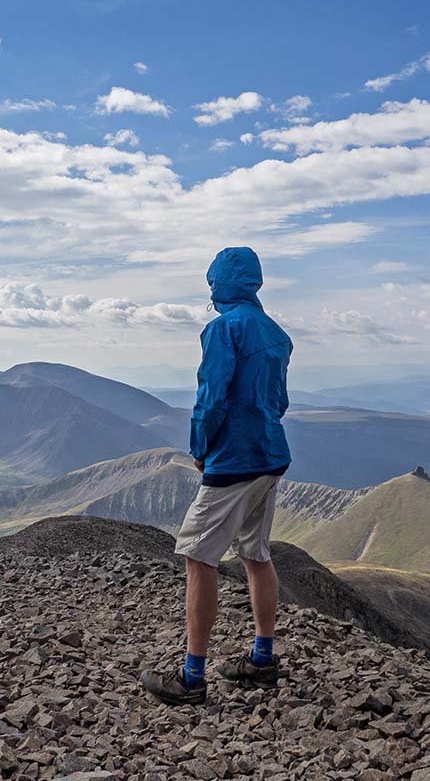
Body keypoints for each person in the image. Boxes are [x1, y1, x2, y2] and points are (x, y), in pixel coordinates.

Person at [140, 246, 293, 705]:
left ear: (220, 284)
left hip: (234, 458)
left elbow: (211, 397)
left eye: (212, 284)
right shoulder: (276, 333)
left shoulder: (224, 329)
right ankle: (262, 658)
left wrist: (201, 447)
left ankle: (191, 678)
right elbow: (280, 401)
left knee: (198, 557)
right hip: (271, 453)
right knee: (256, 553)